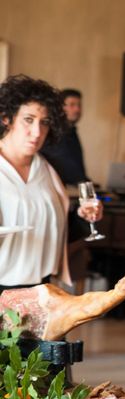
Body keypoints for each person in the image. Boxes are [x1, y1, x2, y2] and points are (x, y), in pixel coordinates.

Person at [0, 75, 102, 293]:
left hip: (42, 290)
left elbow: (59, 230)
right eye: (28, 119)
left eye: (44, 122)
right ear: (7, 118)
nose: (37, 132)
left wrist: (82, 218)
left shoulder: (49, 171)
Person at [39, 88, 89, 185]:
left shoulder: (72, 132)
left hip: (74, 190)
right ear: (60, 108)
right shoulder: (51, 132)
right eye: (72, 105)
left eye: (79, 105)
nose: (77, 109)